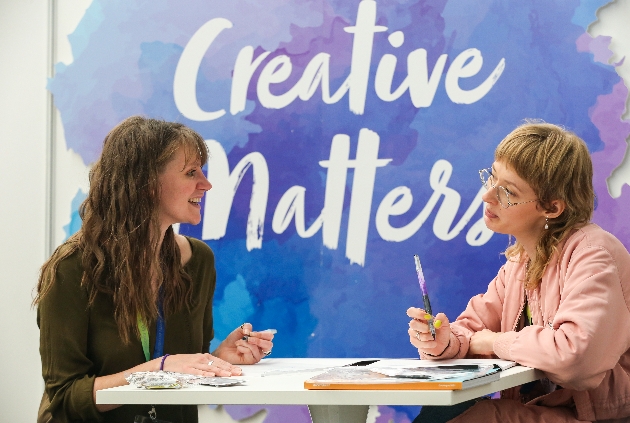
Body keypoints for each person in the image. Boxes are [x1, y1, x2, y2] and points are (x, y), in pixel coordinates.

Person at [34, 116, 274, 423]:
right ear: (146, 184)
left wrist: (214, 360)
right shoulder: (71, 269)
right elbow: (65, 399)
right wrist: (158, 368)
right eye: (191, 172)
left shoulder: (199, 260)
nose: (206, 184)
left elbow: (179, 373)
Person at [407, 122, 630, 423]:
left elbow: (575, 357)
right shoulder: (519, 264)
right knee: (444, 411)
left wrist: (492, 342)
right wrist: (444, 341)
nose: (488, 196)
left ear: (552, 207)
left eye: (508, 192)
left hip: (599, 418)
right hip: (544, 412)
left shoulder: (593, 253)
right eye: (492, 178)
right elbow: (471, 331)